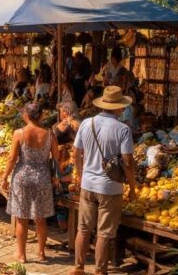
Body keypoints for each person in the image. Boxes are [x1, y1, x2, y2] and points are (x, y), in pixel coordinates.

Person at [73, 86, 137, 275]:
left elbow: (76, 152)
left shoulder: (86, 123)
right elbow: (128, 162)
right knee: (104, 233)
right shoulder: (123, 129)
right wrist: (132, 187)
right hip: (110, 188)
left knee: (83, 229)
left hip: (87, 184)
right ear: (117, 107)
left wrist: (80, 174)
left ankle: (78, 267)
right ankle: (100, 271)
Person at [0, 102, 55, 263]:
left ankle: (22, 255)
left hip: (22, 176)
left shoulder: (19, 133)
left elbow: (12, 158)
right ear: (42, 116)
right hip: (42, 176)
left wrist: (4, 177)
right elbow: (56, 158)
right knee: (41, 217)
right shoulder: (50, 134)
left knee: (21, 217)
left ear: (26, 116)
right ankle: (41, 253)